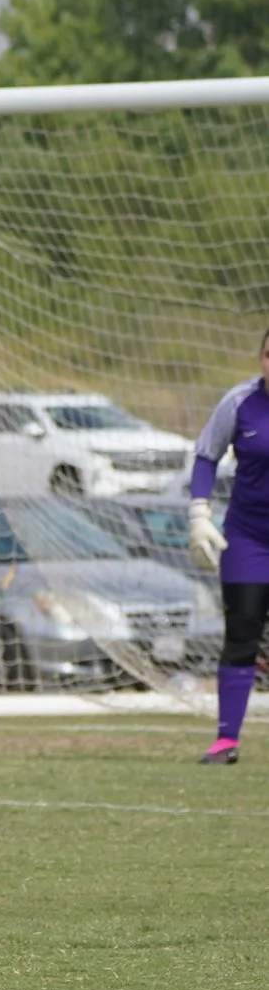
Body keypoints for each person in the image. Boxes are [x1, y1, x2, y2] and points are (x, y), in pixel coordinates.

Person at [188, 325, 269, 764]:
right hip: (249, 539)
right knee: (242, 634)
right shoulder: (240, 402)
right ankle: (226, 740)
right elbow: (206, 455)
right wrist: (198, 513)